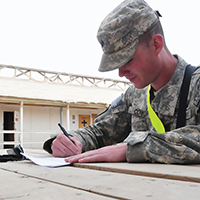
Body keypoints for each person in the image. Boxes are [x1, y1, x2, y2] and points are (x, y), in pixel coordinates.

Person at [43, 0, 200, 164]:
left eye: (128, 60)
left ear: (156, 44)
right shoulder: (135, 96)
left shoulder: (196, 85)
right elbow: (101, 131)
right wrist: (74, 140)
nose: (120, 72)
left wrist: (135, 147)